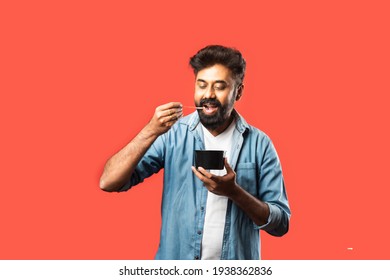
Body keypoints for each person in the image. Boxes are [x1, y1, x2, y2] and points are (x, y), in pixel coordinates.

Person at [100, 45, 291, 260]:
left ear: (238, 91)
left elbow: (281, 223)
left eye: (219, 87)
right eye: (201, 85)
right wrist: (149, 131)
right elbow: (108, 182)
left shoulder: (260, 145)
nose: (208, 94)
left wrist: (234, 192)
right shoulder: (172, 134)